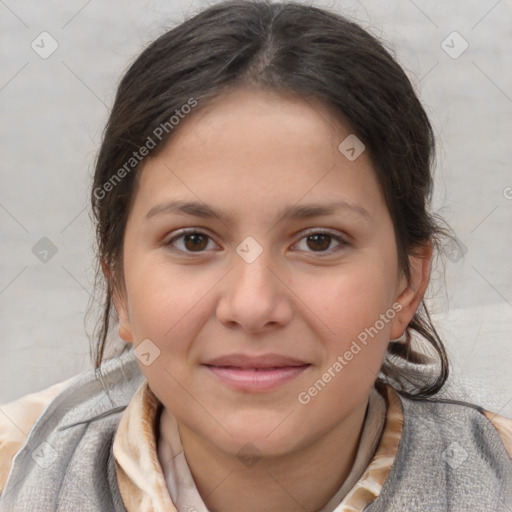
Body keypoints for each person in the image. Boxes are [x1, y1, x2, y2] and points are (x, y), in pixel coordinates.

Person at [1, 1, 511, 510]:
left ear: (407, 285)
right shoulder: (15, 476)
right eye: (193, 240)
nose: (252, 306)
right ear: (119, 285)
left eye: (318, 241)